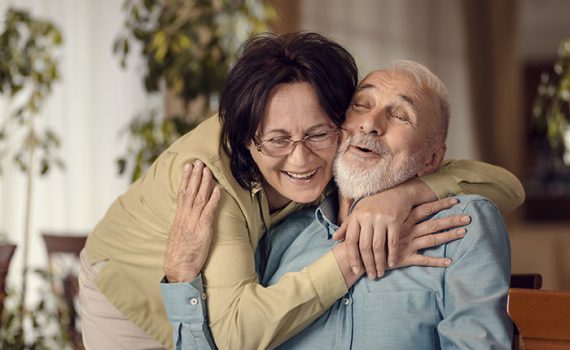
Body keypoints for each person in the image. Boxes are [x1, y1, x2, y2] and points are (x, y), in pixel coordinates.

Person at [79, 32, 524, 350]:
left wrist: (404, 195)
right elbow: (232, 337)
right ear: (249, 139)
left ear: (334, 123)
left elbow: (505, 185)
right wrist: (181, 278)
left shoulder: (458, 224)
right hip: (128, 293)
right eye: (363, 105)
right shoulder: (237, 202)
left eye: (317, 134)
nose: (300, 159)